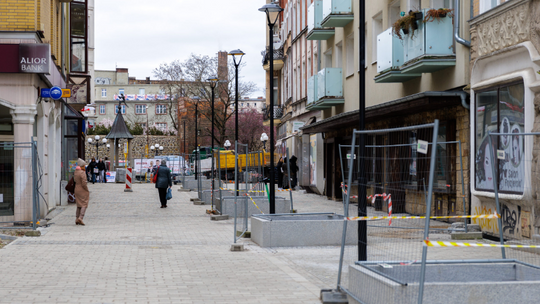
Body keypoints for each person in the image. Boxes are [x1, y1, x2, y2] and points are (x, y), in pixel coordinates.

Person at [74, 158, 90, 225]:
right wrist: (87, 189)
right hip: (82, 190)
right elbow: (84, 183)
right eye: (84, 165)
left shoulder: (76, 172)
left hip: (76, 189)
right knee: (84, 204)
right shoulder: (82, 173)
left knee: (78, 205)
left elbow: (75, 180)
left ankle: (77, 218)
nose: (85, 166)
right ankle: (81, 218)